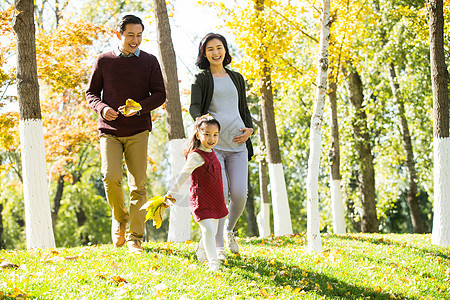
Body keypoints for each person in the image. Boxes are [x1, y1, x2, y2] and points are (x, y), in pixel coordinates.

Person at [85, 15, 166, 255]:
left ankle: (135, 238)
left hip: (139, 130)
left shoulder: (149, 62)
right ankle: (120, 218)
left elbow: (160, 94)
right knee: (110, 178)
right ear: (119, 34)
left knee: (138, 185)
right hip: (109, 131)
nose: (135, 39)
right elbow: (91, 93)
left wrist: (140, 106)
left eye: (139, 35)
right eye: (130, 34)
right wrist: (103, 108)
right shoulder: (104, 61)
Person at [190, 33, 254, 260]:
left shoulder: (237, 78)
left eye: (219, 48)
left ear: (225, 50)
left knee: (239, 194)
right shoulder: (201, 79)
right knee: (219, 196)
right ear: (204, 53)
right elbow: (194, 108)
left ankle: (228, 230)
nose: (215, 53)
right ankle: (217, 247)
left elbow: (243, 110)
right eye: (210, 49)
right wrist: (202, 128)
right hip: (214, 148)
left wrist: (250, 129)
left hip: (238, 144)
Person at [166, 115, 228, 272]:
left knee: (211, 231)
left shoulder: (212, 152)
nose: (211, 138)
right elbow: (183, 175)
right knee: (209, 231)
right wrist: (171, 192)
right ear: (198, 135)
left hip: (215, 199)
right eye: (206, 134)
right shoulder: (196, 155)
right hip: (201, 201)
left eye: (215, 134)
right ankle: (213, 263)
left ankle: (201, 251)